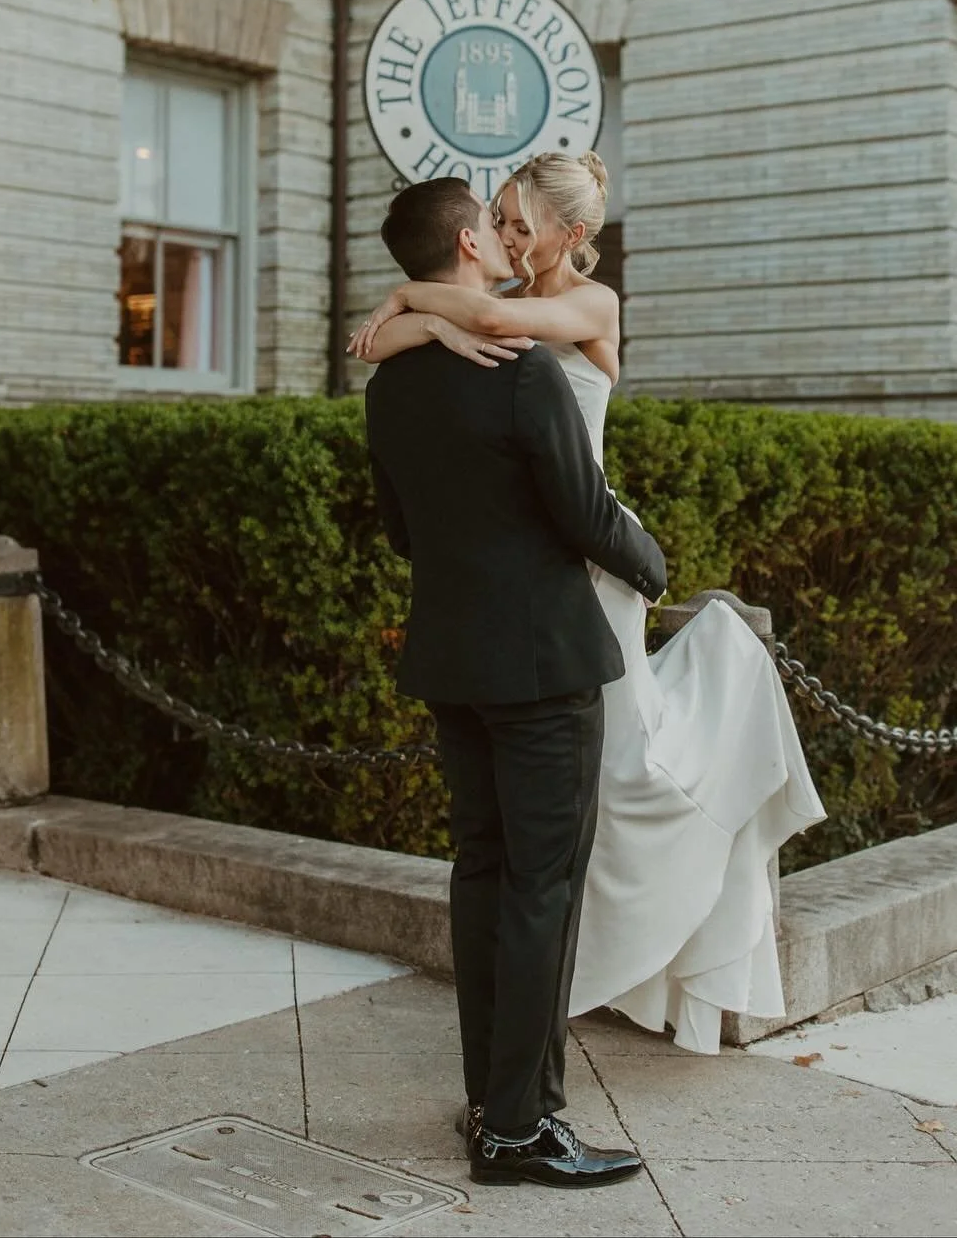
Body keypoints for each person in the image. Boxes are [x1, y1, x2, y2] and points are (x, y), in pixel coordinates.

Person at [352, 152, 826, 1055]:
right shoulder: (491, 311)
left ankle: (655, 941)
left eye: (520, 219)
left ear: (570, 232)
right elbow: (381, 346)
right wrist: (426, 315)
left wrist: (413, 299)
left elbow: (489, 322)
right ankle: (575, 998)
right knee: (572, 803)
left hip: (595, 561)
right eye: (498, 217)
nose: (507, 232)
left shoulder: (588, 306)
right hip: (536, 568)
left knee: (619, 770)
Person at [363, 176, 669, 1190]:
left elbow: (401, 529)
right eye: (490, 227)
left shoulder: (389, 384)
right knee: (544, 889)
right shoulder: (524, 369)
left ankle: (493, 1103)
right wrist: (653, 566)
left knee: (483, 874)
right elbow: (584, 511)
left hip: (453, 657)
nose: (503, 239)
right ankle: (520, 1128)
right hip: (543, 661)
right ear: (465, 243)